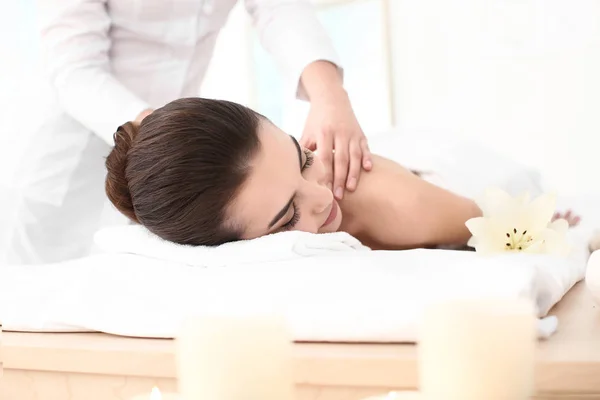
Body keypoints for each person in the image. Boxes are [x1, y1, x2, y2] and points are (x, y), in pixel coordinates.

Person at [3, 0, 371, 264]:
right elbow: (75, 70)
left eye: (303, 159)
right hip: (72, 159)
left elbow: (281, 9)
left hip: (181, 178)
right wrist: (166, 140)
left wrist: (329, 97)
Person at [102, 98, 483, 250]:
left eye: (303, 159)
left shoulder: (402, 206)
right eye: (288, 216)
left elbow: (521, 230)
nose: (324, 198)